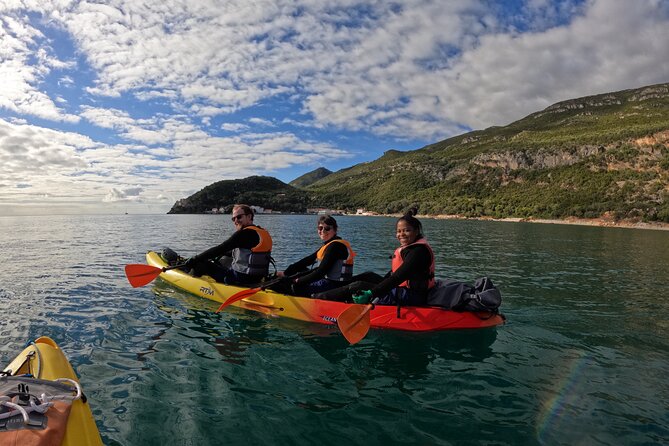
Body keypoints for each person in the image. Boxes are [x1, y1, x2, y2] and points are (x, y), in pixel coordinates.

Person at [313, 210, 435, 306]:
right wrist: (377, 286)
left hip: (412, 296)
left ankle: (317, 300)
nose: (401, 234)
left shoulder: (418, 251)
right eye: (398, 231)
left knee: (358, 285)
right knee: (368, 276)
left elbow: (398, 277)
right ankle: (334, 293)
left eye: (406, 230)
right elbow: (394, 273)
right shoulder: (411, 248)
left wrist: (372, 292)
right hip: (403, 289)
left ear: (416, 231)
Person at [183, 204, 273, 285]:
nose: (236, 221)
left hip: (239, 280)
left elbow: (220, 248)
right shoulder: (263, 233)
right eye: (233, 218)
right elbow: (236, 251)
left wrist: (196, 258)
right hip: (259, 279)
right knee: (225, 259)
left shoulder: (244, 233)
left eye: (239, 217)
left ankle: (188, 277)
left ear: (249, 216)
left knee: (202, 263)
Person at [273, 215, 356, 297]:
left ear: (335, 230)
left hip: (335, 285)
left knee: (293, 287)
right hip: (330, 281)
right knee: (301, 270)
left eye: (327, 228)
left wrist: (297, 281)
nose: (323, 231)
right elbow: (308, 260)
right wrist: (286, 272)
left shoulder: (335, 246)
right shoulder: (330, 244)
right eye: (320, 228)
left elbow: (320, 272)